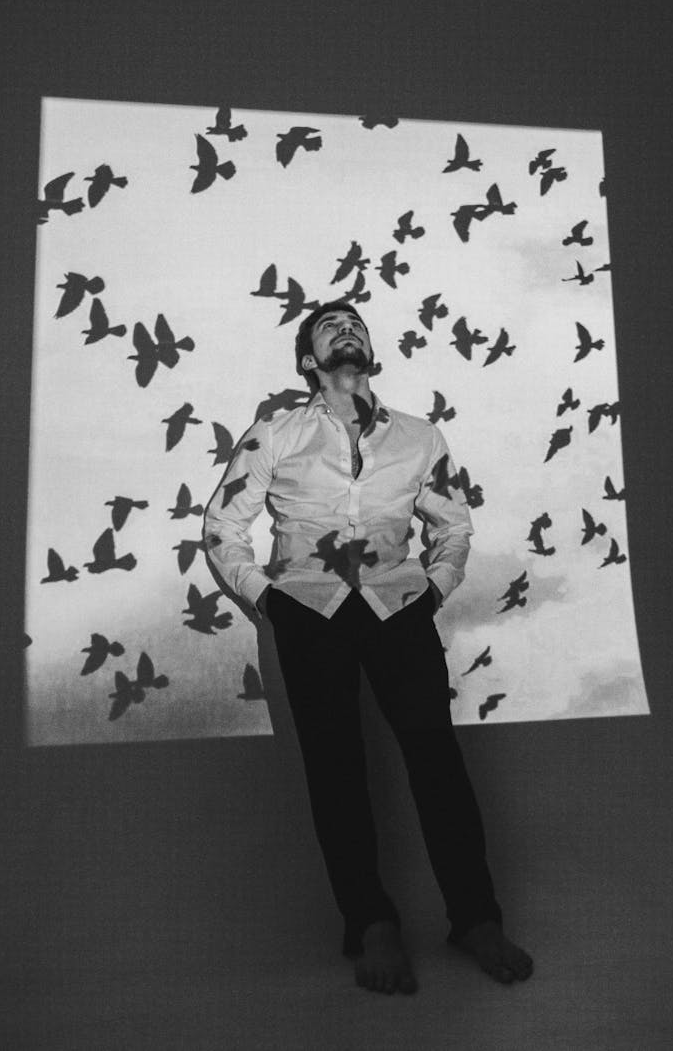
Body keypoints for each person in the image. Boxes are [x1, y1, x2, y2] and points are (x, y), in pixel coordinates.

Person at [203, 301, 533, 994]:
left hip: (398, 605)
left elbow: (454, 524)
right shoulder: (276, 433)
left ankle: (475, 917)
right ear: (307, 360)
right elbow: (221, 525)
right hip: (309, 610)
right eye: (329, 327)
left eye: (355, 323)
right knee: (336, 768)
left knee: (437, 760)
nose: (346, 329)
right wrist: (269, 599)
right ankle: (371, 923)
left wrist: (434, 588)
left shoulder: (420, 435)